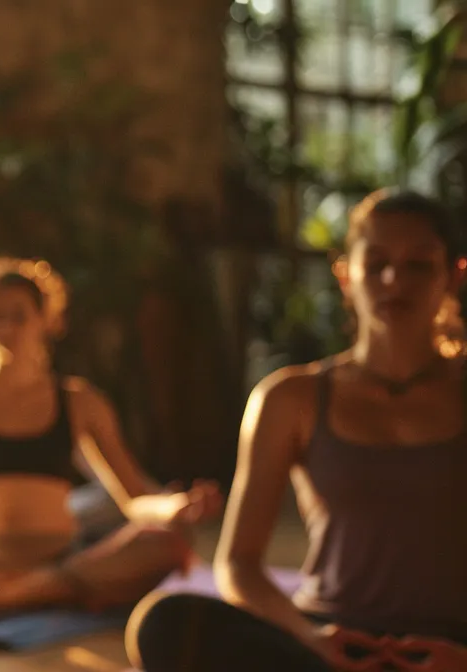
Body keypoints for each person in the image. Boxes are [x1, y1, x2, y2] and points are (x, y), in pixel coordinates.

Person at [128, 189, 467, 672]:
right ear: (346, 275)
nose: (395, 280)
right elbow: (238, 564)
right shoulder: (290, 398)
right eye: (377, 263)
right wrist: (309, 637)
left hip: (448, 647)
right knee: (163, 623)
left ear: (454, 275)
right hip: (329, 643)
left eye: (419, 265)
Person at [0, 257, 222, 613]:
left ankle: (2, 597)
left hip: (61, 563)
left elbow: (133, 497)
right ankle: (32, 594)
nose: (6, 329)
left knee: (167, 542)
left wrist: (176, 507)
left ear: (45, 320)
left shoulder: (81, 401)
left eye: (18, 316)